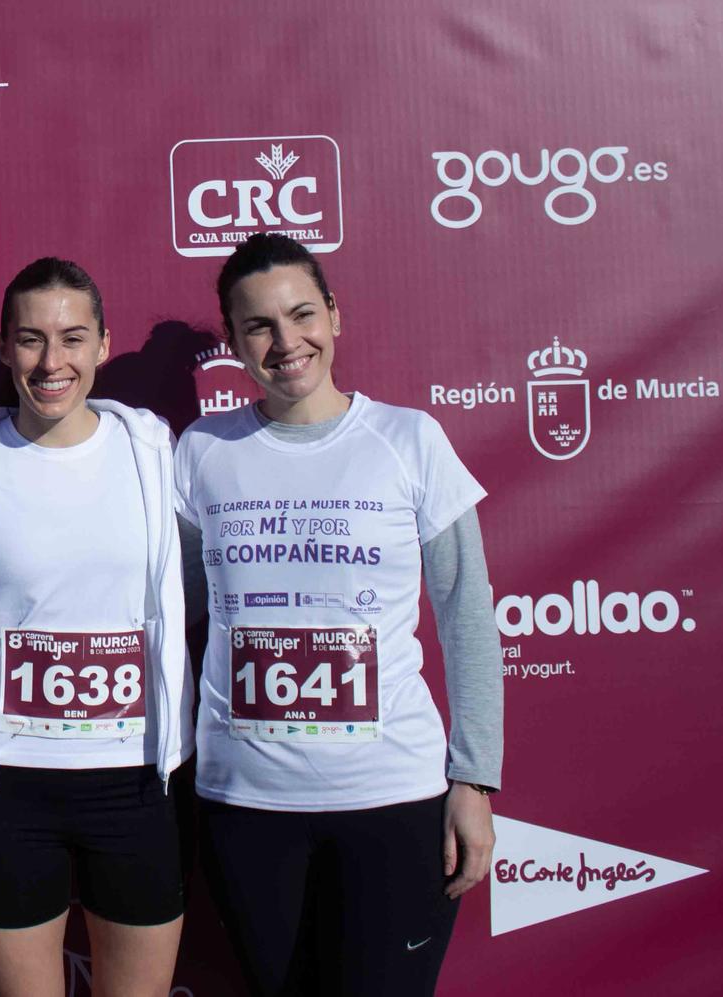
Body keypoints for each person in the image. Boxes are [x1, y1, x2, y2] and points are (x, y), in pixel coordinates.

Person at [175, 234, 502, 997]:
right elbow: (178, 615)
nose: (287, 342)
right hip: (245, 806)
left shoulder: (409, 439)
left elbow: (466, 616)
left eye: (301, 314)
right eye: (258, 325)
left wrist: (474, 780)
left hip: (393, 799)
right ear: (233, 341)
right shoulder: (198, 451)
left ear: (335, 315)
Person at [0, 258, 194, 997]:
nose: (51, 361)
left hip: (135, 783)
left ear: (102, 344)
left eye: (72, 337)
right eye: (30, 339)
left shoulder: (157, 456)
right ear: (3, 348)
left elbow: (216, 584)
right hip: (7, 794)